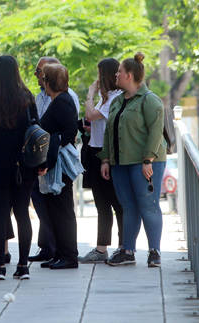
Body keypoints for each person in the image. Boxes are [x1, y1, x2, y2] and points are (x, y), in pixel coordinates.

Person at [98, 52, 167, 267]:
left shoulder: (150, 100)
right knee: (128, 206)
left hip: (144, 162)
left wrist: (148, 160)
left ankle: (154, 251)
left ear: (129, 75)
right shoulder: (118, 101)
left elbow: (156, 132)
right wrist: (106, 159)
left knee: (148, 205)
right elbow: (110, 131)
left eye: (119, 72)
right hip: (120, 163)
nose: (116, 75)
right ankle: (127, 250)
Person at [0, 55, 39, 280]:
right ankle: (23, 265)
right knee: (22, 214)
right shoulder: (27, 98)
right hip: (23, 166)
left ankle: (0, 266)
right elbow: (35, 131)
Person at [29, 56, 79, 263]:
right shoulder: (59, 100)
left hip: (59, 163)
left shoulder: (62, 102)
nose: (40, 80)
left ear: (49, 81)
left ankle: (68, 254)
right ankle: (60, 253)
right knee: (55, 210)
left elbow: (61, 134)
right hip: (54, 162)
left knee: (62, 210)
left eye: (43, 77)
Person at [78, 58, 124, 264]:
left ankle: (124, 246)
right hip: (96, 151)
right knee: (101, 203)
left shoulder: (115, 96)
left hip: (107, 155)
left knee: (116, 203)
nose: (97, 79)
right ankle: (101, 247)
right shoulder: (105, 98)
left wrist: (89, 94)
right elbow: (95, 121)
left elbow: (90, 114)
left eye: (99, 74)